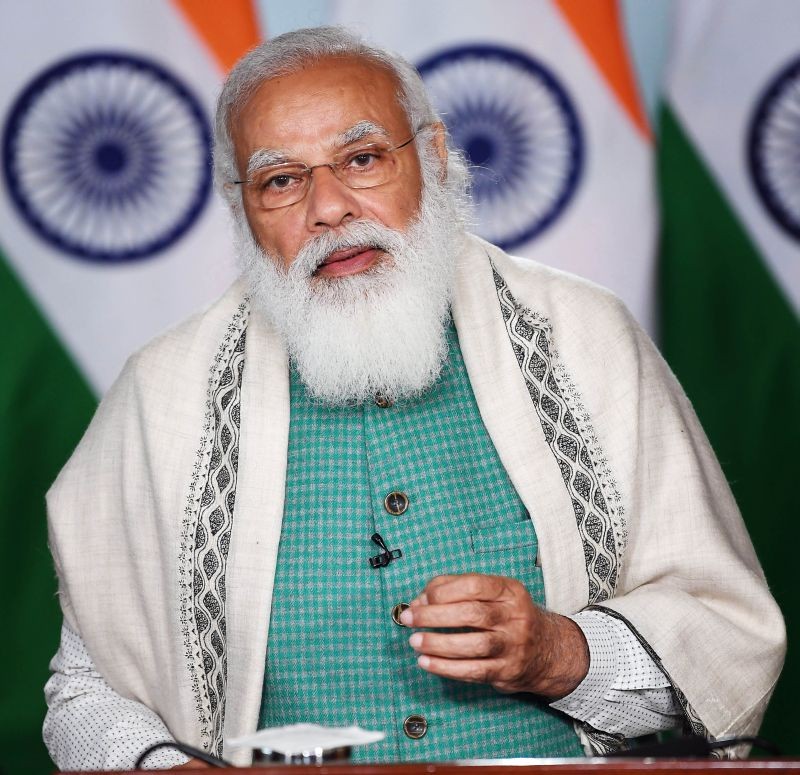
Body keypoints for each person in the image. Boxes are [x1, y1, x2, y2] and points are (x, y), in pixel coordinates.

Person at [43, 26, 785, 770]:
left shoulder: (583, 338)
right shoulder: (163, 396)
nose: (328, 208)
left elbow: (720, 637)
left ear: (431, 157)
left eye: (361, 159)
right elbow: (86, 689)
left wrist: (561, 652)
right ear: (242, 206)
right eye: (281, 180)